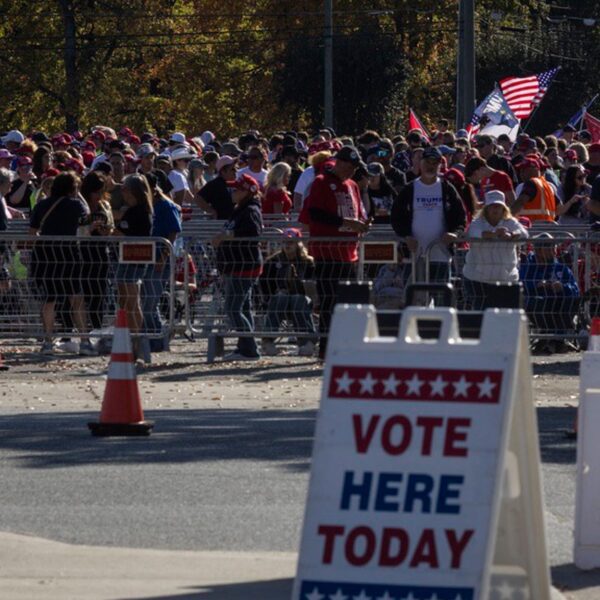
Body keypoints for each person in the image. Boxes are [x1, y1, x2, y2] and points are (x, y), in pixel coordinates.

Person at [303, 145, 370, 359]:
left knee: (346, 303)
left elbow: (358, 212)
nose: (351, 172)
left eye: (355, 168)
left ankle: (345, 344)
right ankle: (325, 347)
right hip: (327, 252)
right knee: (329, 302)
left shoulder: (352, 185)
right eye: (349, 166)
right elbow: (315, 213)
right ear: (339, 162)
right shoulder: (321, 183)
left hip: (349, 253)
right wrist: (345, 222)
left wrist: (361, 224)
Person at [29, 171, 95, 356]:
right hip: (70, 255)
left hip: (45, 256)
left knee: (49, 299)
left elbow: (32, 233)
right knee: (76, 298)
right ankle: (84, 341)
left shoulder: (42, 205)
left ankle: (48, 342)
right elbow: (87, 224)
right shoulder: (76, 205)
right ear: (73, 188)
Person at [391, 146, 466, 283]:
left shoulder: (447, 188)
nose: (430, 166)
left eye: (434, 163)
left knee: (441, 299)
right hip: (413, 256)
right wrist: (406, 236)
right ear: (421, 163)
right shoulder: (409, 189)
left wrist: (455, 233)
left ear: (440, 165)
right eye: (427, 162)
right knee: (412, 299)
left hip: (440, 255)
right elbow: (396, 217)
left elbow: (460, 216)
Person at [212, 173, 263, 361]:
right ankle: (245, 347)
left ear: (247, 191)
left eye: (237, 189)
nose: (233, 191)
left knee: (233, 308)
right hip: (237, 264)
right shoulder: (240, 208)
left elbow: (252, 232)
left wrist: (227, 236)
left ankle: (249, 348)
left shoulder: (250, 210)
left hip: (244, 265)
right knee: (244, 308)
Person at [462, 190, 528, 310]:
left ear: (504, 208)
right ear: (486, 208)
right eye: (492, 206)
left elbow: (524, 234)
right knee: (480, 318)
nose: (495, 209)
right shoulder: (477, 223)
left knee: (505, 318)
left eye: (498, 206)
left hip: (506, 279)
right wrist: (495, 234)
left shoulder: (511, 222)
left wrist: (512, 234)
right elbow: (472, 234)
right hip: (478, 279)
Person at [113, 174, 154, 359]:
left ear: (132, 191)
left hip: (132, 259)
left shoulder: (136, 211)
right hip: (133, 259)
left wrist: (108, 232)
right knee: (128, 301)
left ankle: (135, 341)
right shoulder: (142, 210)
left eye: (124, 188)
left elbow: (119, 235)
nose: (122, 192)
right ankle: (131, 339)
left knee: (131, 302)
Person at [519, 233, 580, 353]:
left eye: (554, 247)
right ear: (538, 250)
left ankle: (556, 340)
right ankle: (551, 339)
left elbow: (575, 288)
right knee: (540, 302)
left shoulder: (561, 268)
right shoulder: (528, 267)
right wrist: (537, 285)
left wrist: (563, 287)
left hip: (559, 303)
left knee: (570, 300)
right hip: (538, 304)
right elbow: (521, 284)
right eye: (549, 248)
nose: (553, 251)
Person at [141, 172, 182, 351]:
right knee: (145, 300)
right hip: (145, 257)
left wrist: (163, 257)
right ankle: (150, 339)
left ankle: (157, 340)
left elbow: (173, 233)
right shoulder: (146, 205)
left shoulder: (166, 206)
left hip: (160, 258)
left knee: (151, 300)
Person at [260, 228, 316, 356]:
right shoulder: (272, 261)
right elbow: (265, 285)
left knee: (298, 299)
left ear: (298, 243)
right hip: (278, 300)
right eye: (285, 241)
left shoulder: (308, 262)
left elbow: (312, 286)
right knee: (280, 297)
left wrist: (298, 282)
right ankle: (267, 341)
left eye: (291, 242)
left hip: (302, 298)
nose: (287, 245)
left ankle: (307, 342)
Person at [79, 171, 115, 333]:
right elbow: (74, 229)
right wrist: (89, 228)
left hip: (101, 253)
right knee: (81, 293)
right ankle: (80, 327)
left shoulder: (105, 205)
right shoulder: (80, 205)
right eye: (96, 192)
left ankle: (96, 326)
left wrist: (105, 230)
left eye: (101, 192)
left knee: (98, 293)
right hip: (82, 253)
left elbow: (112, 227)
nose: (99, 196)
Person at [511, 157, 557, 223]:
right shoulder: (548, 186)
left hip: (533, 228)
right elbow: (559, 209)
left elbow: (521, 201)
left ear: (533, 170)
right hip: (548, 227)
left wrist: (506, 217)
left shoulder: (531, 183)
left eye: (523, 170)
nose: (521, 174)